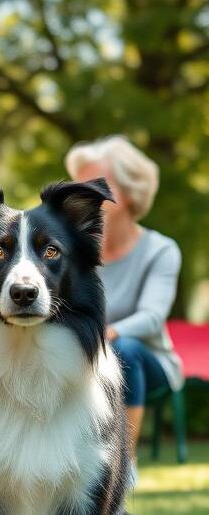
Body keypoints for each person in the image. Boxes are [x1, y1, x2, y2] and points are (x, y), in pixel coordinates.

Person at [66, 135, 183, 480]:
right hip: (86, 355)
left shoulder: (160, 250)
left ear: (130, 193)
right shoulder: (69, 252)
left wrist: (107, 333)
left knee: (123, 349)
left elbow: (152, 317)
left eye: (95, 187)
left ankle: (122, 463)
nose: (81, 199)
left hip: (148, 359)